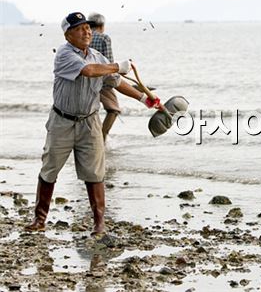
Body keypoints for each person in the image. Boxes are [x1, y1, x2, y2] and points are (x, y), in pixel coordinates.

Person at [25, 12, 163, 235]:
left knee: (95, 173)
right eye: (80, 29)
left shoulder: (98, 56)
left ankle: (99, 223)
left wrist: (143, 98)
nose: (87, 31)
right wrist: (117, 65)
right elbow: (88, 71)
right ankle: (40, 219)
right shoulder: (64, 54)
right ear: (68, 35)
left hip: (90, 122)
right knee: (49, 169)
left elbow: (116, 82)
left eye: (88, 28)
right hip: (62, 121)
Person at [88, 12, 120, 140]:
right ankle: (102, 138)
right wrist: (115, 79)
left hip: (87, 79)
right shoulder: (104, 38)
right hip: (102, 80)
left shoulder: (85, 37)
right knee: (114, 110)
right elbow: (109, 62)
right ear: (102, 25)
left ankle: (94, 138)